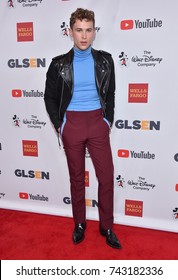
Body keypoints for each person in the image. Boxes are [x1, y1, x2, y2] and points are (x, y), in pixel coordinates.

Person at [44, 8, 121, 249]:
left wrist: (107, 120)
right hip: (72, 125)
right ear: (70, 32)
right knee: (77, 178)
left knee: (106, 177)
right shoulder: (58, 65)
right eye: (79, 30)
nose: (84, 36)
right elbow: (49, 98)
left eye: (88, 30)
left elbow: (111, 94)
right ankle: (80, 223)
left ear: (94, 32)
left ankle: (106, 226)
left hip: (97, 123)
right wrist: (60, 124)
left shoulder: (106, 61)